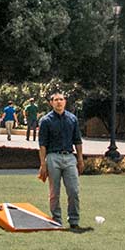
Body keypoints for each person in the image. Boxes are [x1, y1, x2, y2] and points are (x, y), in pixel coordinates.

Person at [35, 92, 84, 229]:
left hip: (69, 157)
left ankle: (74, 220)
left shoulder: (72, 119)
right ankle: (56, 220)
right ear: (51, 103)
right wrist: (43, 164)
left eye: (61, 99)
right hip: (53, 157)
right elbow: (42, 144)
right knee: (54, 192)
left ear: (65, 102)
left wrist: (80, 159)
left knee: (73, 190)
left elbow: (78, 141)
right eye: (56, 100)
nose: (59, 102)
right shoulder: (45, 121)